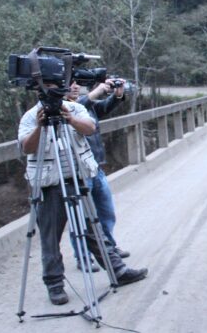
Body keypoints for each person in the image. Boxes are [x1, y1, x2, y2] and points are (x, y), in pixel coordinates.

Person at [18, 82, 148, 305]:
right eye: (47, 88)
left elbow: (90, 128)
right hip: (49, 186)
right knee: (50, 238)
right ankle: (55, 285)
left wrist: (69, 118)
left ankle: (117, 270)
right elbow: (26, 148)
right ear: (39, 91)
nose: (52, 92)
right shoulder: (31, 116)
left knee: (93, 229)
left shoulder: (75, 108)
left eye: (56, 87)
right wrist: (41, 127)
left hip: (77, 180)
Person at [66, 78, 131, 272]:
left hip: (96, 167)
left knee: (106, 213)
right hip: (78, 171)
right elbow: (76, 107)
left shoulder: (87, 105)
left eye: (77, 83)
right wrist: (97, 91)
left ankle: (108, 249)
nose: (76, 86)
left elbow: (102, 107)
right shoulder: (63, 109)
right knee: (81, 217)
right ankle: (83, 257)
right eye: (71, 83)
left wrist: (116, 95)